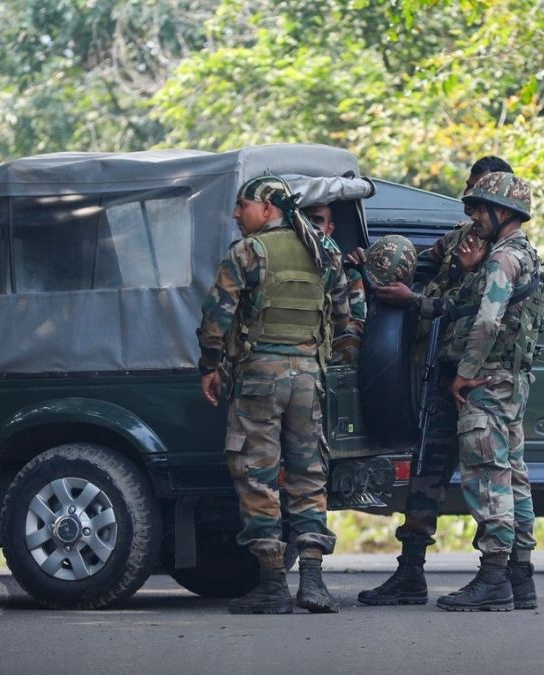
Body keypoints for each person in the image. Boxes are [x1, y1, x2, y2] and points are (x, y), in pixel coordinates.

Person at [356, 156, 513, 606]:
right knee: (426, 468)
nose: (471, 204)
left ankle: (508, 576)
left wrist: (419, 301)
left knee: (493, 478)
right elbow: (421, 264)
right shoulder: (461, 239)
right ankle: (410, 574)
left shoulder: (505, 254)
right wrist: (374, 266)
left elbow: (478, 313)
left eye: (480, 195)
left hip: (479, 375)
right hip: (443, 369)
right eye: (470, 194)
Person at [197, 175, 350, 614]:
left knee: (257, 475)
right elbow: (343, 316)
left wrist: (209, 367)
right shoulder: (325, 251)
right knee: (308, 476)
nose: (235, 214)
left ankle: (271, 585)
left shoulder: (248, 253)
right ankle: (314, 583)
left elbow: (216, 319)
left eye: (242, 205)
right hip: (308, 379)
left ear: (267, 208)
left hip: (259, 378)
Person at [434, 171, 544, 612]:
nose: (474, 218)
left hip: (488, 381)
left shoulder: (502, 261)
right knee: (514, 476)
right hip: (511, 382)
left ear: (504, 212)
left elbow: (486, 322)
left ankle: (494, 578)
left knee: (488, 473)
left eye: (480, 209)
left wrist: (463, 372)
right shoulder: (524, 255)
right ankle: (521, 578)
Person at [303, 204, 366, 364]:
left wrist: (325, 332)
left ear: (329, 229)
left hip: (327, 343)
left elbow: (358, 323)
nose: (311, 226)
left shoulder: (349, 275)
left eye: (317, 220)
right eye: (305, 218)